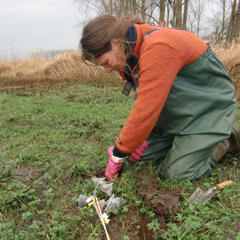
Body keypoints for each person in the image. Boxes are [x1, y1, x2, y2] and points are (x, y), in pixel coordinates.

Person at [80, 14, 239, 181]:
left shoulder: (158, 46)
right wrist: (136, 138)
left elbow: (146, 110)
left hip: (208, 111)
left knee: (176, 174)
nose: (107, 69)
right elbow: (148, 96)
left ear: (115, 43)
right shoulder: (133, 52)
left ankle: (227, 138)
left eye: (106, 62)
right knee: (139, 157)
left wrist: (119, 152)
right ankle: (187, 144)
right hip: (182, 115)